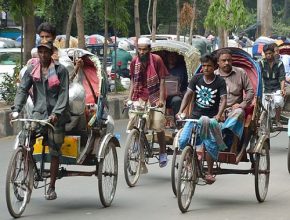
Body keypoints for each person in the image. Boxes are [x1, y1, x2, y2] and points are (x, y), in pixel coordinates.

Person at [11, 40, 70, 200]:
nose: (43, 55)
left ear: (52, 53)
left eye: (46, 52)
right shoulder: (32, 69)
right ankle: (30, 172)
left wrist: (56, 113)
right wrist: (16, 108)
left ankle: (51, 186)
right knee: (25, 139)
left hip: (57, 114)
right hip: (38, 112)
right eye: (41, 51)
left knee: (54, 148)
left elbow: (64, 94)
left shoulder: (61, 70)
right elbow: (23, 89)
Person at [177, 53, 227, 184]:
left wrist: (219, 115)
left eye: (209, 66)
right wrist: (180, 111)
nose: (206, 68)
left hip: (210, 119)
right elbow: (188, 95)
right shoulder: (196, 79)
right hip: (194, 117)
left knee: (210, 145)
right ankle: (189, 159)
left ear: (215, 67)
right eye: (204, 66)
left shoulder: (220, 81)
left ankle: (209, 172)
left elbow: (223, 100)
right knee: (183, 140)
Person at [127, 37, 168, 169]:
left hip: (155, 95)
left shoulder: (157, 60)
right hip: (139, 94)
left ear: (149, 50)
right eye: (140, 49)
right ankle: (136, 139)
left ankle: (162, 151)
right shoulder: (134, 61)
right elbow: (133, 81)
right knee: (134, 118)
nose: (142, 52)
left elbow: (162, 80)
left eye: (145, 49)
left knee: (157, 124)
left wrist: (161, 100)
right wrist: (129, 98)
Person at [215, 49, 254, 153]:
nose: (227, 63)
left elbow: (250, 91)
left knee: (239, 112)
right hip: (217, 111)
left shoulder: (240, 73)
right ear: (218, 62)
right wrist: (219, 112)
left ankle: (224, 133)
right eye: (223, 60)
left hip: (235, 110)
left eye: (229, 60)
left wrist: (242, 104)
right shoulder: (213, 75)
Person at [260, 43, 286, 127]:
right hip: (265, 88)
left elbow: (282, 78)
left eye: (270, 53)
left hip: (276, 88)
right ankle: (265, 120)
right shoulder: (261, 63)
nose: (268, 55)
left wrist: (282, 89)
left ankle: (277, 120)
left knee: (278, 101)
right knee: (264, 106)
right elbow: (258, 76)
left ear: (273, 53)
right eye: (266, 54)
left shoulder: (279, 63)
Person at [165, 52, 188, 120]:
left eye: (174, 56)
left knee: (177, 100)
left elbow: (185, 85)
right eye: (170, 56)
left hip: (175, 96)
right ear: (167, 57)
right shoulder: (162, 67)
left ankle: (178, 122)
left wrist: (183, 94)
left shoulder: (182, 69)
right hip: (162, 96)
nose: (172, 58)